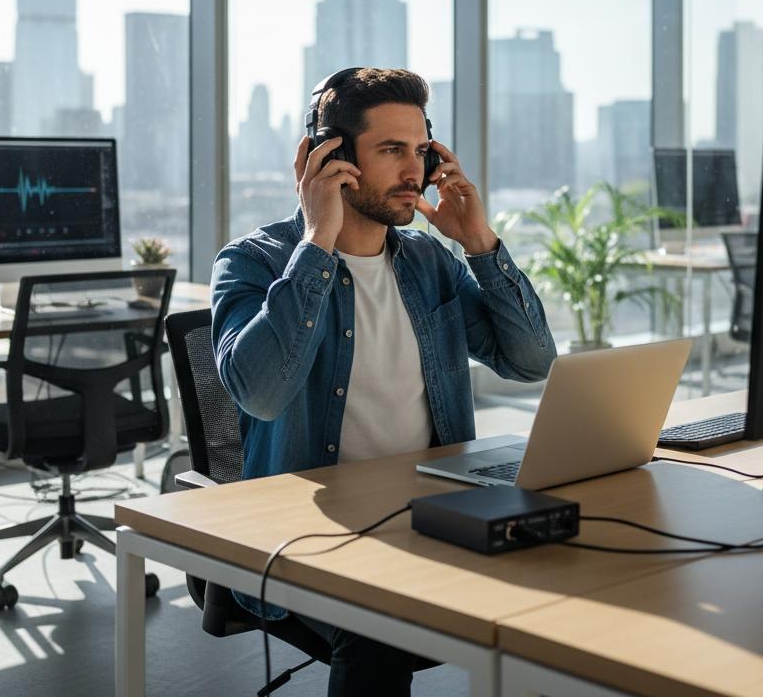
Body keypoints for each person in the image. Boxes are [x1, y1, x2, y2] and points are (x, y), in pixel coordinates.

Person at [211, 67, 556, 696]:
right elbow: (259, 391)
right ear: (328, 158)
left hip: (433, 512)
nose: (414, 172)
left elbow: (531, 361)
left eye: (421, 151)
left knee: (568, 566)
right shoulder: (252, 261)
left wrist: (478, 241)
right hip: (308, 537)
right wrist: (318, 240)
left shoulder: (430, 262)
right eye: (392, 150)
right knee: (381, 620)